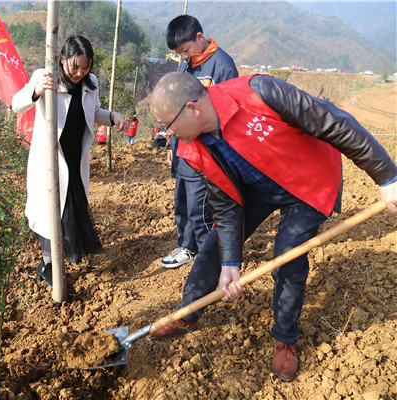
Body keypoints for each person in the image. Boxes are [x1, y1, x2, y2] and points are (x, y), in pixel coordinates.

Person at [148, 71, 397, 382]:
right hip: (257, 189)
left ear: (192, 109)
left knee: (289, 256)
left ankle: (285, 338)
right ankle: (187, 313)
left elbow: (333, 121)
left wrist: (387, 176)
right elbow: (225, 205)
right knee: (213, 248)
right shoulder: (193, 146)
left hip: (307, 184)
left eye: (168, 125)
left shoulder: (258, 92)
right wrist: (230, 263)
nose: (167, 134)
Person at [12, 35, 128, 288]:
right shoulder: (46, 77)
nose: (79, 73)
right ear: (62, 58)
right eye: (74, 67)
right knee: (49, 212)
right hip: (50, 159)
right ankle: (49, 265)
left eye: (85, 68)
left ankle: (57, 261)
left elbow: (93, 112)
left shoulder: (91, 83)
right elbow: (16, 104)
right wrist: (37, 90)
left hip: (75, 158)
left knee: (71, 210)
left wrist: (112, 116)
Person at [161, 15, 239, 269]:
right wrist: (173, 143)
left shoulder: (222, 66)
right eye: (178, 53)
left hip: (205, 152)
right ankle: (187, 247)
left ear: (199, 38)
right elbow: (176, 106)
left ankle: (209, 256)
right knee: (182, 202)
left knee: (200, 207)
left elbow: (229, 112)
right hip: (184, 149)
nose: (183, 56)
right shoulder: (187, 65)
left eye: (185, 50)